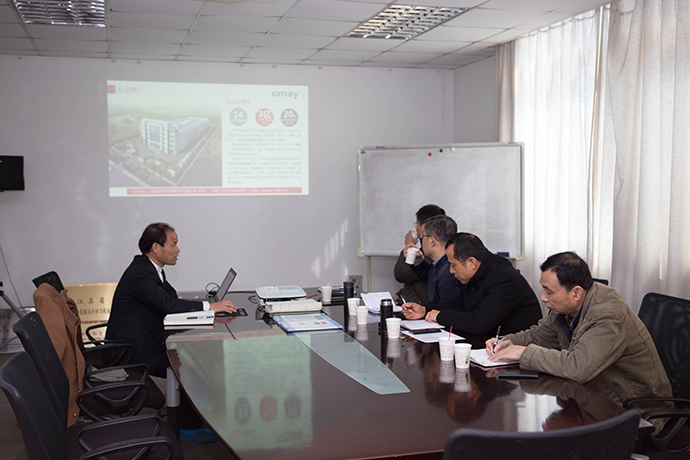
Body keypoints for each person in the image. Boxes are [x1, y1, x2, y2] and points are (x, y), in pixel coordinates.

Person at [487, 251, 672, 433]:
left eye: (549, 292)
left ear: (576, 292)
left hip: (632, 410)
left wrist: (523, 353)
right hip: (590, 398)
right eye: (543, 288)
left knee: (550, 441)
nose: (543, 297)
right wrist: (508, 341)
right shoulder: (565, 307)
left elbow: (577, 367)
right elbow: (539, 335)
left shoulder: (608, 314)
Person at [106, 223, 235, 378]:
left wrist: (198, 305)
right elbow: (169, 305)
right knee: (189, 369)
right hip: (134, 351)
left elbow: (170, 297)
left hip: (146, 341)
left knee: (191, 360)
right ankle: (181, 402)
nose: (178, 250)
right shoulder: (141, 273)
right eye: (173, 245)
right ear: (156, 247)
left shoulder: (151, 268)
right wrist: (209, 306)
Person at [403, 232, 542, 337]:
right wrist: (425, 310)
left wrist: (440, 316)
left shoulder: (504, 279)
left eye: (453, 265)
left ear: (472, 263)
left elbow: (478, 323)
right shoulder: (479, 272)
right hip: (490, 344)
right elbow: (459, 304)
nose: (451, 271)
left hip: (517, 352)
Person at [393, 204, 446, 305]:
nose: (416, 228)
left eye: (417, 223)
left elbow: (401, 274)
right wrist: (399, 295)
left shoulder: (431, 252)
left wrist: (409, 245)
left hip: (422, 311)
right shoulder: (425, 251)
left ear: (424, 227)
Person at [404, 215, 461, 305]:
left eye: (422, 236)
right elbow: (431, 277)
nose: (421, 240)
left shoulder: (449, 272)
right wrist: (419, 260)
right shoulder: (443, 263)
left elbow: (446, 311)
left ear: (432, 241)